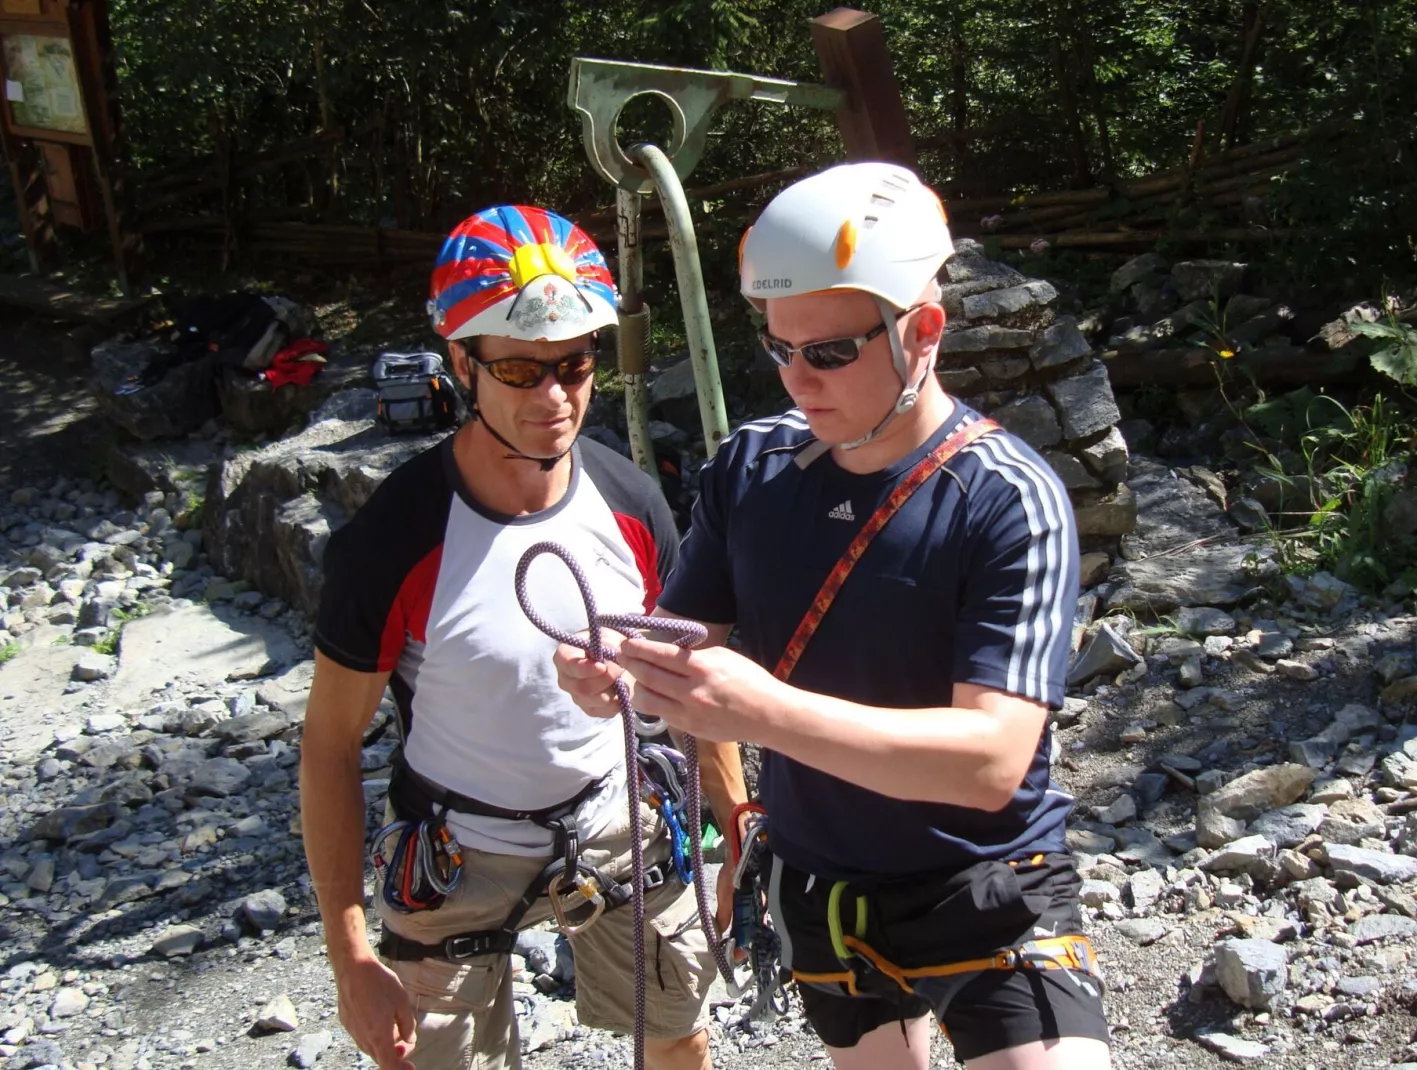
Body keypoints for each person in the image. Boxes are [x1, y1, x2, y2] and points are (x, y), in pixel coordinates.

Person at [554, 162, 1112, 1070]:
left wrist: (761, 712)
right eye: (778, 349)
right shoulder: (752, 468)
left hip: (990, 881)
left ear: (922, 330)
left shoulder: (1007, 499)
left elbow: (992, 762)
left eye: (829, 352)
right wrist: (612, 681)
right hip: (823, 892)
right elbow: (677, 656)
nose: (798, 381)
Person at [300, 205, 744, 1070]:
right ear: (460, 362)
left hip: (619, 815)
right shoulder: (396, 539)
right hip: (457, 845)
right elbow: (329, 741)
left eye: (575, 366)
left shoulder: (629, 501)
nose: (554, 398)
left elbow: (693, 681)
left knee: (680, 1040)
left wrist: (740, 825)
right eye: (518, 368)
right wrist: (350, 951)